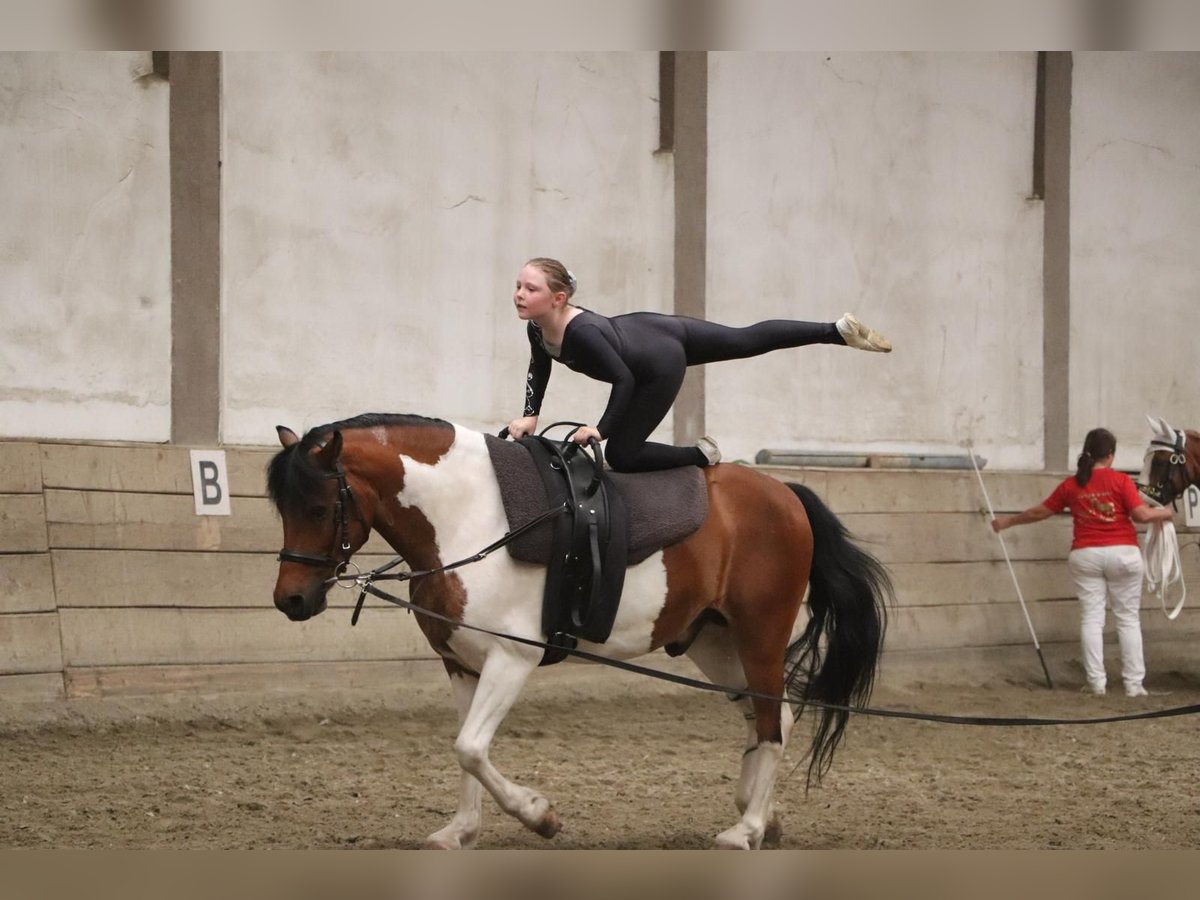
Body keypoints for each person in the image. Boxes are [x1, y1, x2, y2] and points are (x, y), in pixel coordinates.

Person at [504, 257, 892, 473]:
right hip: (649, 328)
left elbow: (623, 379)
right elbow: (540, 368)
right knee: (744, 338)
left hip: (656, 363)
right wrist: (530, 416)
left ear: (558, 298)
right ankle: (835, 331)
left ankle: (700, 455)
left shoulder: (582, 333)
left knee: (624, 456)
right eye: (519, 286)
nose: (520, 295)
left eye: (530, 289)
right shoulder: (539, 330)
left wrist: (601, 430)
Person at [991, 427, 1174, 697]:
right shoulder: (1121, 481)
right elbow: (1141, 516)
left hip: (1086, 554)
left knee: (1091, 618)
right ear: (1110, 455)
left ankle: (1096, 683)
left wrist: (1008, 521)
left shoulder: (1071, 485)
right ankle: (1134, 685)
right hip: (1123, 553)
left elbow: (1040, 511)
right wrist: (1166, 513)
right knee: (1128, 620)